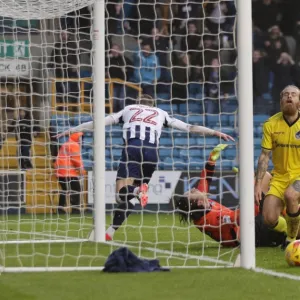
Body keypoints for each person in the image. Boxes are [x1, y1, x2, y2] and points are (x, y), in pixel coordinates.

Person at [56, 94, 235, 240]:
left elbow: (99, 123)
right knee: (132, 199)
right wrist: (215, 132)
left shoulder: (129, 109)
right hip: (152, 154)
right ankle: (109, 233)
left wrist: (71, 130)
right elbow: (189, 127)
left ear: (138, 102)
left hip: (133, 148)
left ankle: (136, 192)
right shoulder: (161, 113)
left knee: (121, 194)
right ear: (152, 104)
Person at [176, 144, 287, 247]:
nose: (194, 189)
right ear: (198, 202)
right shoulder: (209, 221)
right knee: (262, 202)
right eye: (191, 192)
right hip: (245, 236)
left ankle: (285, 215)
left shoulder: (202, 202)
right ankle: (285, 230)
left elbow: (205, 180)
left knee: (264, 176)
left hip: (245, 223)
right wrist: (251, 187)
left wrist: (211, 160)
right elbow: (240, 217)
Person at [255, 85, 300, 249]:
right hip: (279, 177)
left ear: (299, 102)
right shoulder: (271, 124)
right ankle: (295, 230)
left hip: (299, 176)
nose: (289, 97)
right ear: (280, 101)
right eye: (286, 95)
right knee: (269, 218)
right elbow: (265, 156)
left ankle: (291, 240)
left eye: (293, 95)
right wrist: (258, 185)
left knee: (291, 195)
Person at [55, 132, 85, 214]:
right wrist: (81, 170)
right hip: (68, 171)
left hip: (60, 171)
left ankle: (60, 209)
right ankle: (75, 209)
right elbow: (76, 160)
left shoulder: (66, 143)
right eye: (81, 138)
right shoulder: (74, 145)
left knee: (65, 189)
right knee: (76, 189)